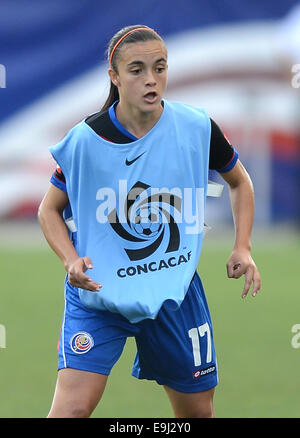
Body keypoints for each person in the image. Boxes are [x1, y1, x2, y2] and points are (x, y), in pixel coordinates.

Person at [38, 24, 261, 418]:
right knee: (69, 411)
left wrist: (242, 245)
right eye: (137, 70)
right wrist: (70, 260)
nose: (151, 79)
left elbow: (240, 182)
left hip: (172, 291)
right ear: (114, 76)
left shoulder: (196, 127)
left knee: (197, 415)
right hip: (99, 294)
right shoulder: (86, 140)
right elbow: (48, 209)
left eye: (160, 67)